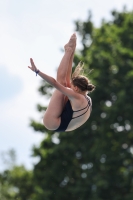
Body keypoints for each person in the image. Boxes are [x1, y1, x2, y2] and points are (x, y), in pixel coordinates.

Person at [28, 33, 95, 132]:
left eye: (73, 86)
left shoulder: (78, 97)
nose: (70, 86)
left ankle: (69, 50)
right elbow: (68, 84)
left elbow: (55, 83)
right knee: (66, 84)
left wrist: (37, 71)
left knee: (63, 83)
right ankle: (70, 50)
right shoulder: (85, 97)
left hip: (53, 122)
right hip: (65, 122)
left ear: (76, 88)